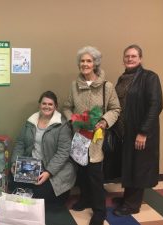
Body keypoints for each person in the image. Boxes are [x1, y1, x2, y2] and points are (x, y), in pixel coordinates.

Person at [63, 46, 120, 225]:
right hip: (79, 137)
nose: (85, 64)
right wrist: (72, 119)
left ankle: (100, 212)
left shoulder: (107, 86)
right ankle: (85, 199)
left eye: (89, 61)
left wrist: (104, 121)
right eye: (82, 61)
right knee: (82, 172)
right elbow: (66, 106)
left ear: (95, 63)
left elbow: (115, 108)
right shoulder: (74, 85)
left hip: (97, 140)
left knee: (95, 176)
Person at [112, 44, 163, 216]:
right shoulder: (123, 78)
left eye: (133, 56)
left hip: (140, 131)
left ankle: (132, 205)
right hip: (126, 131)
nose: (130, 59)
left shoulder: (150, 77)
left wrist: (143, 132)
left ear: (140, 58)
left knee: (138, 166)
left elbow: (155, 105)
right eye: (127, 56)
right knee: (129, 165)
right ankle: (128, 198)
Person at [10, 91, 76, 204]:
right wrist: (14, 163)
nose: (47, 106)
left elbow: (63, 153)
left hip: (52, 167)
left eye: (50, 104)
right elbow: (20, 143)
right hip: (33, 165)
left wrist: (48, 172)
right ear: (40, 104)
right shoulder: (30, 122)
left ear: (56, 106)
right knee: (13, 184)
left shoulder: (62, 125)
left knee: (40, 194)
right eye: (44, 103)